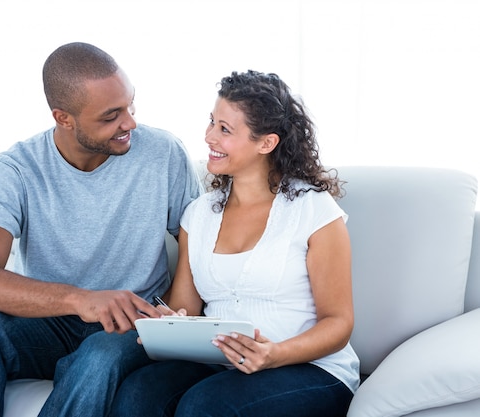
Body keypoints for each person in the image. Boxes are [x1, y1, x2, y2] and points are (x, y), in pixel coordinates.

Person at [0, 42, 201, 417]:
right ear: (63, 118)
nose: (129, 123)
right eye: (111, 116)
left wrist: (175, 315)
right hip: (46, 322)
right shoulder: (13, 171)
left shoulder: (164, 153)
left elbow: (197, 244)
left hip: (128, 326)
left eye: (130, 105)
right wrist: (80, 300)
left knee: (99, 356)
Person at [110, 70, 360, 417]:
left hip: (309, 368)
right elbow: (185, 306)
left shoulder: (313, 211)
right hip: (220, 362)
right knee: (139, 393)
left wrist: (275, 354)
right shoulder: (198, 215)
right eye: (212, 122)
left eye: (224, 129)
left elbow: (338, 323)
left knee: (204, 407)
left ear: (266, 143)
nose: (209, 136)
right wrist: (165, 323)